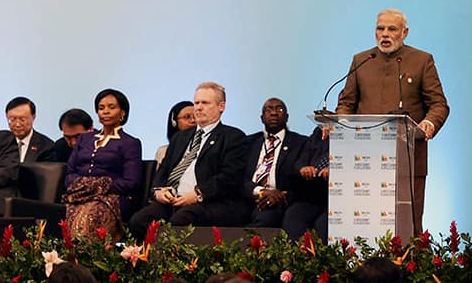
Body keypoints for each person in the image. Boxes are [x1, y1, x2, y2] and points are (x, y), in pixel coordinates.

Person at [336, 8, 449, 235]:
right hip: (365, 158)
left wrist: (428, 123)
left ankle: (412, 268)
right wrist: (340, 122)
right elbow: (346, 102)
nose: (385, 34)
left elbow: (439, 105)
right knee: (364, 228)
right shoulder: (362, 60)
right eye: (380, 28)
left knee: (410, 228)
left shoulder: (421, 60)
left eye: (392, 29)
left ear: (404, 33)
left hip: (408, 158)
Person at [127, 82, 247, 239]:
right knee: (138, 221)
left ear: (221, 107)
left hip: (209, 202)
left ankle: (172, 262)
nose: (198, 107)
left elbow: (229, 177)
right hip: (173, 200)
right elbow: (164, 170)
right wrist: (158, 191)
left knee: (180, 221)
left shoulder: (233, 137)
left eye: (205, 103)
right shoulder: (180, 137)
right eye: (197, 102)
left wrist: (198, 194)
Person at [63, 89, 142, 240]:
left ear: (122, 112)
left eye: (111, 107)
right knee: (57, 214)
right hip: (78, 195)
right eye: (101, 108)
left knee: (88, 216)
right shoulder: (85, 139)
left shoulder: (130, 143)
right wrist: (84, 187)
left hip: (111, 198)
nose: (106, 111)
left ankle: (86, 262)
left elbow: (131, 183)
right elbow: (70, 173)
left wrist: (97, 186)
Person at [242, 97, 306, 228]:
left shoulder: (300, 143)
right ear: (262, 118)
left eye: (279, 109)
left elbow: (300, 180)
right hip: (249, 197)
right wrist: (260, 191)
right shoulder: (248, 142)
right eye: (269, 109)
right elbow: (238, 176)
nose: (274, 113)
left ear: (287, 117)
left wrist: (279, 196)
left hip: (277, 202)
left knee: (265, 219)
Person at [281, 125, 328, 240]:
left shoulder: (355, 134)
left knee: (323, 224)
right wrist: (303, 168)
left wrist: (337, 170)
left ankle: (325, 258)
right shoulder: (319, 131)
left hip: (339, 197)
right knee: (294, 215)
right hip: (314, 193)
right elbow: (301, 159)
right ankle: (296, 257)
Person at [6, 97, 55, 164]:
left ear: (33, 117)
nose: (17, 124)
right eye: (12, 119)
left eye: (22, 119)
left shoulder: (46, 146)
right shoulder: (1, 143)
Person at [154, 100, 195, 167]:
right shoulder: (164, 151)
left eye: (196, 117)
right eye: (187, 117)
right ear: (174, 122)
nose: (193, 120)